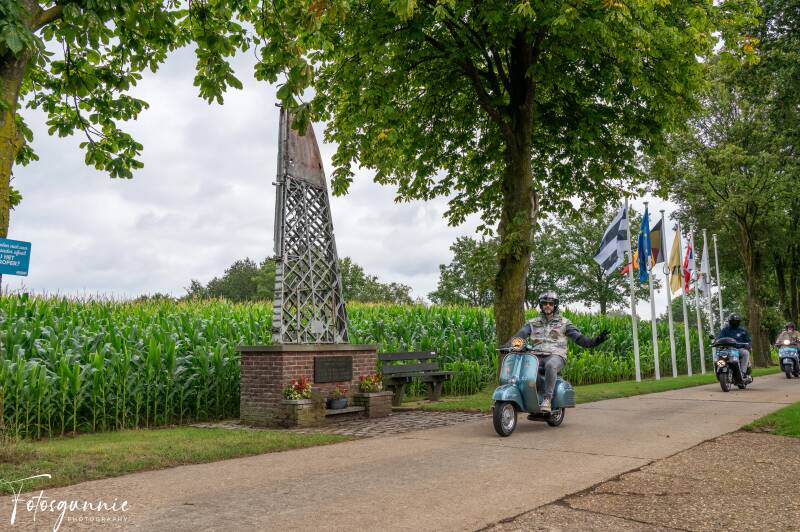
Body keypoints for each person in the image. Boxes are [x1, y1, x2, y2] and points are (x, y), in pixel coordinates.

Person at [506, 291, 608, 413]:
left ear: (555, 305)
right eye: (544, 303)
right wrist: (508, 345)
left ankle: (547, 399)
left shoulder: (564, 322)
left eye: (550, 303)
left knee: (551, 365)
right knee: (527, 368)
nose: (547, 305)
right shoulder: (533, 322)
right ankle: (534, 397)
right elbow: (520, 336)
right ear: (541, 305)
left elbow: (579, 338)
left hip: (556, 355)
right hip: (536, 355)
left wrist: (595, 341)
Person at [715, 313, 752, 381]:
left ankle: (743, 372)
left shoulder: (743, 331)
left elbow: (748, 340)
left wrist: (748, 344)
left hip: (739, 349)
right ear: (729, 321)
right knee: (718, 356)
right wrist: (716, 342)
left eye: (736, 321)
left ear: (738, 322)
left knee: (746, 352)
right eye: (732, 321)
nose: (734, 322)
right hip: (727, 350)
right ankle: (719, 371)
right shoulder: (725, 330)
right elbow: (719, 338)